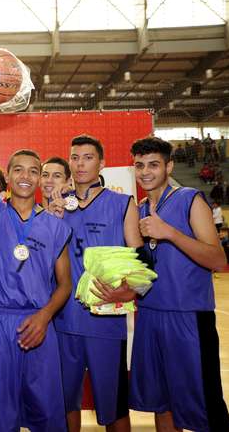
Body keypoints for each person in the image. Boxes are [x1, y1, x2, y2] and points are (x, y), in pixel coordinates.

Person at [0, 103, 72, 431]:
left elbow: (65, 283)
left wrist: (45, 315)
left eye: (33, 170)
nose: (26, 176)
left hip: (40, 321)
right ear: (7, 176)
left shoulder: (54, 225)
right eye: (19, 170)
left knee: (47, 413)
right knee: (2, 414)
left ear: (41, 178)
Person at [129, 136, 229, 431]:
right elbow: (140, 271)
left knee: (206, 406)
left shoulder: (190, 199)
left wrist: (170, 233)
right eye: (139, 165)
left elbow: (218, 260)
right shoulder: (136, 210)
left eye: (154, 164)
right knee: (161, 404)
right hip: (150, 315)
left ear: (169, 166)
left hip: (188, 317)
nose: (146, 172)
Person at [54, 135, 143, 432]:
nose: (80, 163)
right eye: (75, 157)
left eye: (88, 157)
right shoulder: (58, 207)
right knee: (66, 402)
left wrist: (131, 289)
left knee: (114, 404)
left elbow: (141, 258)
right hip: (64, 320)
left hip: (104, 318)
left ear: (101, 163)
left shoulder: (122, 203)